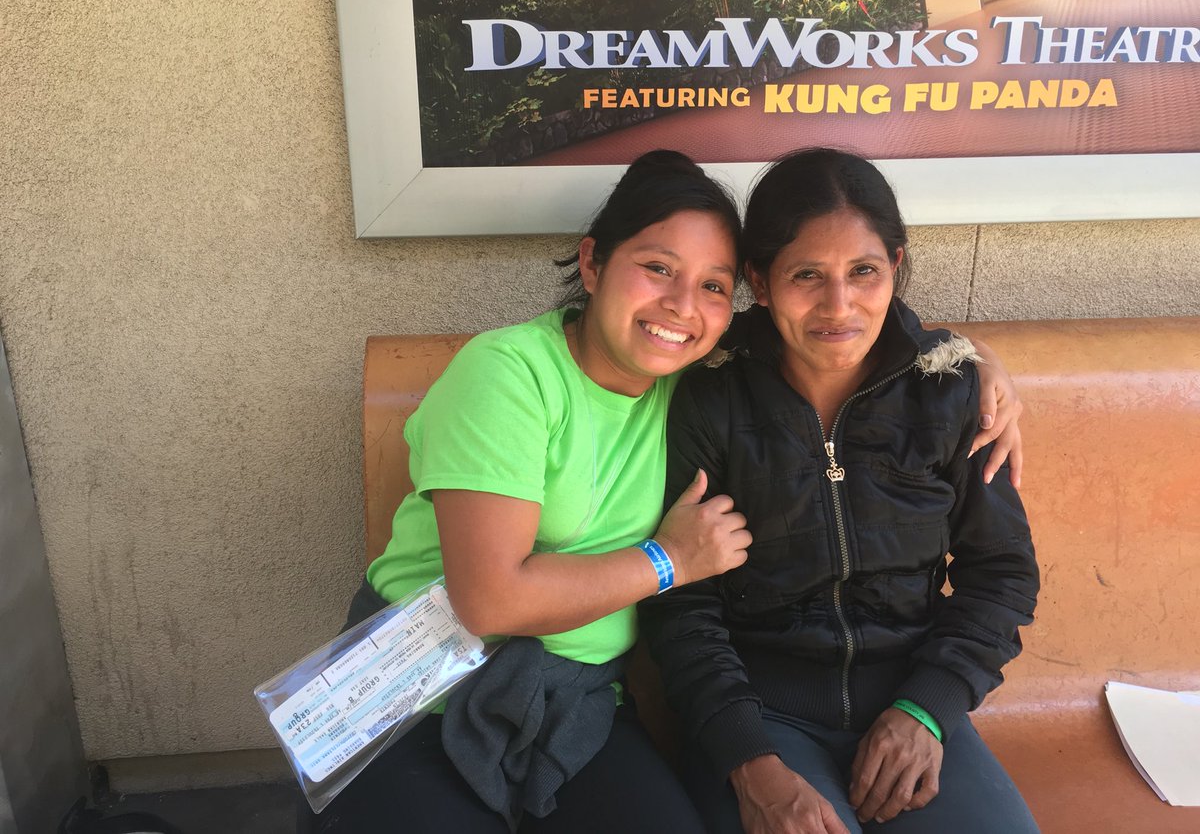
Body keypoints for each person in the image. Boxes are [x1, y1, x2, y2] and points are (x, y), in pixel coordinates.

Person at [317, 150, 1025, 833]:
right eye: (657, 268)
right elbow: (490, 601)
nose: (682, 307)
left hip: (576, 696)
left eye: (712, 285)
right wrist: (669, 561)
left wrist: (977, 364)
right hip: (414, 676)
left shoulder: (687, 375)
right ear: (593, 263)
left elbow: (862, 343)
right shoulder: (525, 374)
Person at [639, 148, 1041, 834]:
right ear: (760, 283)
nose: (839, 305)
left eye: (864, 272)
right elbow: (682, 606)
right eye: (806, 276)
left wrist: (926, 711)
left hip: (912, 701)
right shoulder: (708, 398)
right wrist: (750, 762)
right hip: (758, 718)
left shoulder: (951, 392)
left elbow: (1001, 574)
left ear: (896, 266)